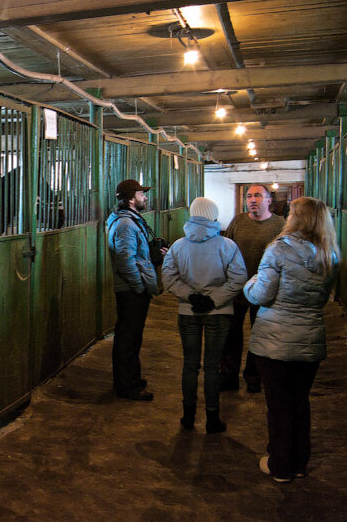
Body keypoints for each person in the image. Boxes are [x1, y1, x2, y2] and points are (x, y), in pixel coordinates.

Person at [244, 197, 339, 482]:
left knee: (278, 406)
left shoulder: (278, 250)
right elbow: (321, 299)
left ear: (295, 218)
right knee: (300, 402)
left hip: (275, 339)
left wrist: (249, 283)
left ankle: (280, 466)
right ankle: (299, 462)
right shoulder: (330, 254)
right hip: (310, 338)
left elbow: (261, 294)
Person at [162, 197, 247, 433]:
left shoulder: (178, 246)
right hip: (218, 313)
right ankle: (212, 418)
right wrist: (214, 299)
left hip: (187, 312)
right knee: (212, 366)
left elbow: (169, 278)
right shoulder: (227, 245)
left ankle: (188, 417)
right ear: (213, 215)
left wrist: (191, 296)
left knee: (190, 365)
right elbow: (239, 278)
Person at [221, 184, 285, 393]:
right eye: (249, 196)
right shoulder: (238, 221)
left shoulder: (280, 225)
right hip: (237, 288)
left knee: (259, 335)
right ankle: (229, 376)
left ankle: (254, 376)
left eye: (258, 195)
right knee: (231, 333)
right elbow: (226, 248)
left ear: (269, 201)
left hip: (265, 289)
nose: (252, 200)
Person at [106, 179, 165, 401]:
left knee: (130, 338)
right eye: (142, 194)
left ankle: (129, 380)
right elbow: (125, 260)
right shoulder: (126, 225)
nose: (145, 197)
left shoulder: (130, 221)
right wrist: (140, 286)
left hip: (134, 288)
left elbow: (134, 255)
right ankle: (127, 387)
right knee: (128, 339)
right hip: (131, 290)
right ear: (131, 198)